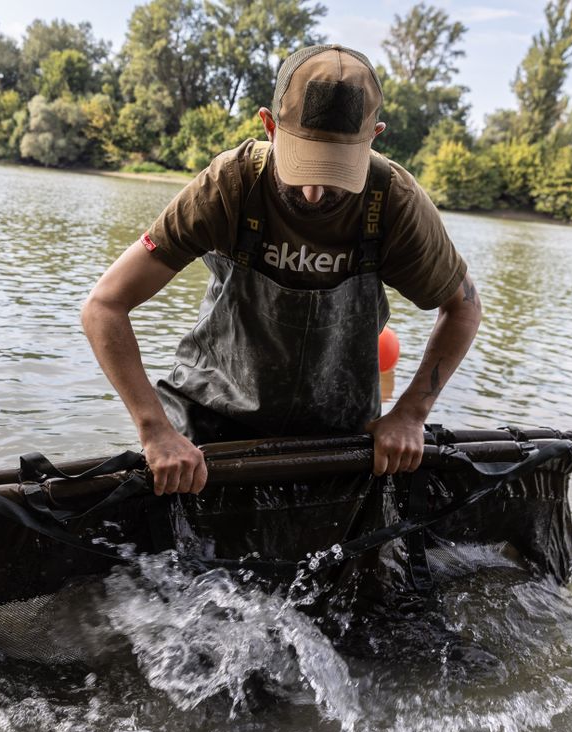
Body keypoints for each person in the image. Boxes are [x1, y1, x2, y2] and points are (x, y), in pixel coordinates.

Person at [82, 44, 481, 496]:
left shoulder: (393, 201)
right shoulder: (230, 185)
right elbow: (104, 306)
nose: (313, 194)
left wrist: (410, 414)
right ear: (270, 125)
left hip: (336, 438)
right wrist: (154, 430)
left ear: (375, 137)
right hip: (208, 423)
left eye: (336, 172)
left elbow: (462, 308)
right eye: (302, 164)